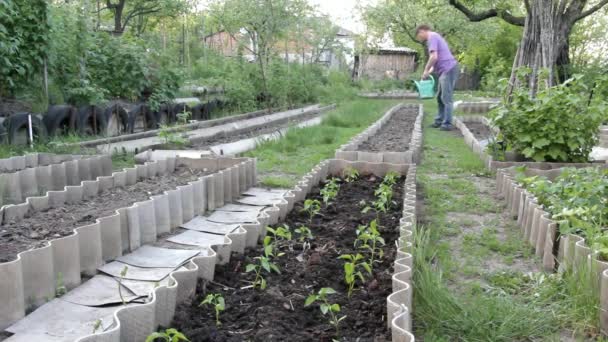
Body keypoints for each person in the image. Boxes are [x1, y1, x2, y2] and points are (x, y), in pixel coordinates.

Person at [416, 24, 460, 131]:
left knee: (446, 98)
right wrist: (429, 72)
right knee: (440, 97)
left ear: (422, 31)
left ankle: (447, 124)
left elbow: (433, 57)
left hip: (448, 69)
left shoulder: (432, 37)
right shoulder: (434, 37)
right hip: (445, 70)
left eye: (419, 36)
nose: (420, 39)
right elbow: (436, 60)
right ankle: (439, 121)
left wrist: (426, 70)